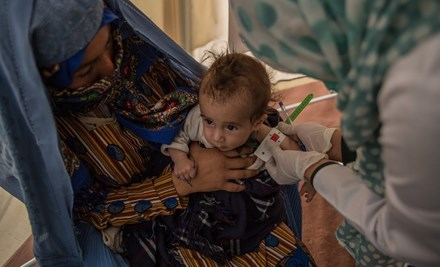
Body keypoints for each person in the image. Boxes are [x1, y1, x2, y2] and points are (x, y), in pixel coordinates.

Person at [40, 4, 316, 266]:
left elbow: (214, 107)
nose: (112, 68)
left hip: (230, 199)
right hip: (164, 223)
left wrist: (261, 133)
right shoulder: (52, 134)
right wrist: (183, 184)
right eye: (87, 69)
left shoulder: (135, 55)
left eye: (109, 45)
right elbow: (92, 207)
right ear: (48, 72)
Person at [229, 0, 440, 266]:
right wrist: (341, 146)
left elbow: (411, 239)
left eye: (315, 65)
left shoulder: (418, 89)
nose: (330, 84)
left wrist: (316, 170)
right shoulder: (402, 38)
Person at [161, 51, 317, 202]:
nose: (217, 137)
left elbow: (290, 146)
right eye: (209, 122)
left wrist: (309, 177)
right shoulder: (197, 118)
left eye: (230, 127)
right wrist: (180, 159)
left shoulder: (263, 132)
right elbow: (176, 135)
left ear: (256, 123)